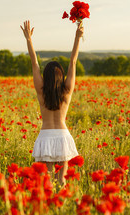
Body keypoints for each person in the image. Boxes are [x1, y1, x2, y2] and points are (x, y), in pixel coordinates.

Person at [20, 20, 84, 186]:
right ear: (61, 76)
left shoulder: (41, 91)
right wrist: (77, 37)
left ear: (45, 76)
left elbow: (34, 64)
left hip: (46, 136)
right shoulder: (67, 90)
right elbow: (73, 61)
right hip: (63, 136)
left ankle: (48, 206)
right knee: (61, 180)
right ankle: (61, 208)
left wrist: (29, 40)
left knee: (46, 181)